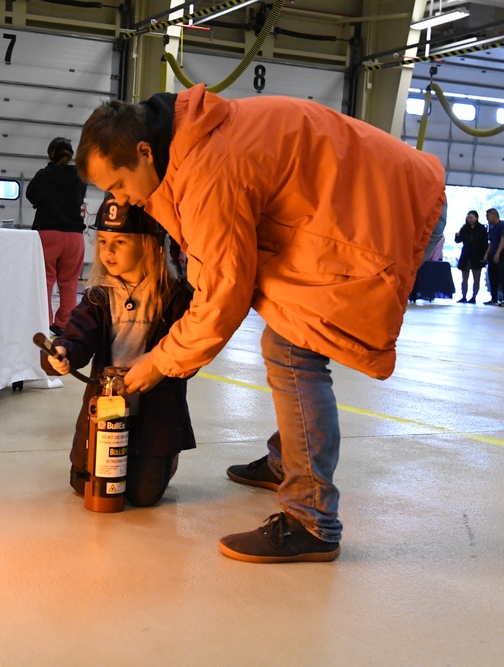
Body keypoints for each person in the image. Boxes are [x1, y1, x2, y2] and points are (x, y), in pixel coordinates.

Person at [76, 86, 446, 563]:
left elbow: (222, 296)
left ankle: (311, 519)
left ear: (145, 151)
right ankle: (286, 462)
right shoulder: (189, 139)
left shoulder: (209, 169)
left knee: (292, 350)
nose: (121, 199)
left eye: (120, 184)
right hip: (369, 198)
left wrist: (160, 362)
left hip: (389, 209)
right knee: (283, 333)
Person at [41, 196, 195, 507]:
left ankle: (161, 460)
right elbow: (79, 334)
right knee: (83, 485)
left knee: (143, 495)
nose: (107, 251)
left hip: (155, 407)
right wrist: (63, 351)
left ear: (151, 244)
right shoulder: (99, 295)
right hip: (108, 407)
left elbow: (189, 352)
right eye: (102, 241)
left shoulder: (175, 296)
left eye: (120, 241)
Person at [27, 137, 88, 334]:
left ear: (50, 154)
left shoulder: (43, 175)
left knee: (44, 281)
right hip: (74, 237)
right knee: (69, 282)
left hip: (48, 234)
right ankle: (64, 324)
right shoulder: (80, 176)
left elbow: (31, 196)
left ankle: (43, 323)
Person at [454, 210, 487, 304]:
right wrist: (457, 236)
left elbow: (484, 244)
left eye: (471, 217)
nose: (469, 219)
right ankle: (463, 296)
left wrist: (483, 256)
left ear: (476, 218)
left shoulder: (482, 229)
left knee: (476, 278)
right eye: (468, 217)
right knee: (464, 278)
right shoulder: (464, 228)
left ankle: (474, 297)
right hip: (466, 255)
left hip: (477, 256)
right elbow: (458, 241)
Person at [484, 208, 504, 307]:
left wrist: (498, 253)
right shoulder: (492, 228)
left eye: (488, 216)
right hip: (493, 255)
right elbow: (491, 242)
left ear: (493, 215)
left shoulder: (503, 225)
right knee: (492, 277)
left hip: (503, 254)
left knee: (503, 276)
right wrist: (487, 253)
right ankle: (494, 299)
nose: (487, 219)